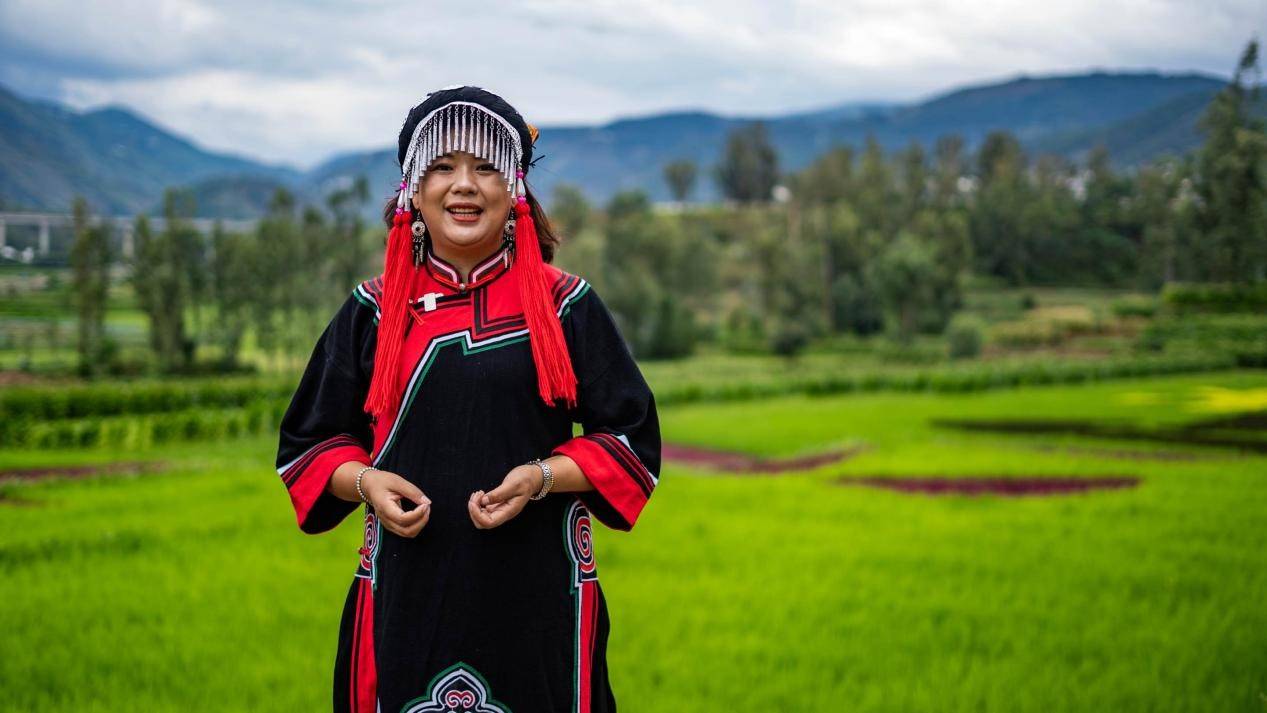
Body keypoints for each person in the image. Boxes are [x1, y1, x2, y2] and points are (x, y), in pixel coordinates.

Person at [274, 86, 661, 713]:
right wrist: (365, 482)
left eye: (485, 167)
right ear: (412, 192)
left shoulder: (567, 306)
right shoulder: (371, 312)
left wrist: (541, 477)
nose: (464, 185)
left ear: (515, 193)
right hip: (405, 590)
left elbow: (631, 441)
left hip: (539, 591)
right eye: (442, 168)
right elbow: (307, 445)